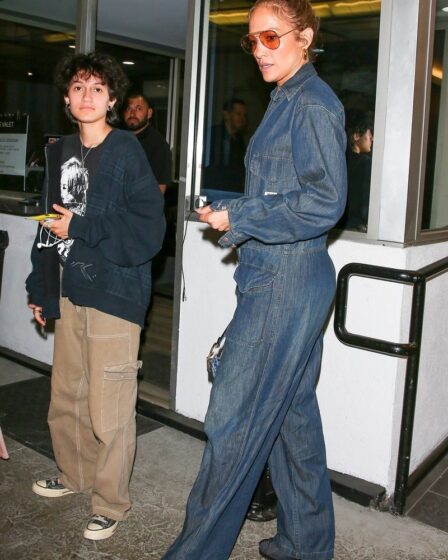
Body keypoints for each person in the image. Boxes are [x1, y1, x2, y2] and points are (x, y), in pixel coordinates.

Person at [162, 1, 347, 559]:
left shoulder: (312, 103)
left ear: (304, 37)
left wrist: (241, 218)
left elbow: (324, 201)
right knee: (292, 419)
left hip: (286, 279)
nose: (261, 50)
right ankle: (305, 545)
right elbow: (283, 191)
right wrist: (230, 208)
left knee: (232, 424)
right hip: (284, 273)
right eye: (252, 41)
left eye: (272, 38)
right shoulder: (284, 100)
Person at [25, 52, 165, 541]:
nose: (87, 96)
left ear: (112, 99)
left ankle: (110, 502)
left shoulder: (126, 152)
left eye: (97, 89)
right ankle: (74, 476)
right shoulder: (58, 150)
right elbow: (49, 224)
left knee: (109, 409)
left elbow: (149, 230)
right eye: (79, 88)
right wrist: (39, 286)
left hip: (114, 295)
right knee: (66, 398)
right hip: (69, 293)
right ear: (67, 98)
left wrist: (81, 226)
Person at [123, 92, 172, 194]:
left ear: (149, 113)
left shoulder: (158, 145)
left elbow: (159, 190)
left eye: (138, 109)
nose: (132, 114)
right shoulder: (116, 138)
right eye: (128, 109)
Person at [337, 110, 373, 232]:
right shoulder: (365, 162)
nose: (372, 139)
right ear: (356, 136)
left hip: (340, 225)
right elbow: (365, 200)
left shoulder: (340, 160)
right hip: (357, 226)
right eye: (369, 135)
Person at [203, 98, 248, 193]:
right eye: (238, 114)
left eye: (244, 115)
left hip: (233, 192)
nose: (242, 119)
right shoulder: (213, 134)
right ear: (226, 115)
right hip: (214, 192)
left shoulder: (239, 139)